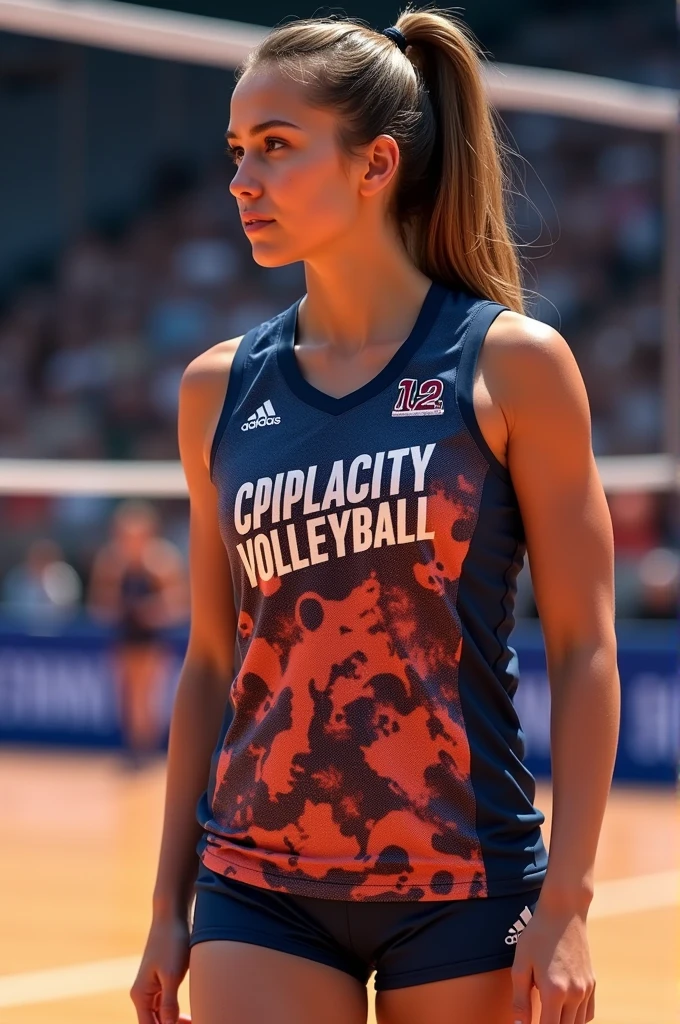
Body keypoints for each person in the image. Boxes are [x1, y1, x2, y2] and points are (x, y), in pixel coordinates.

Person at [130, 10, 620, 1024]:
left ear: (374, 163)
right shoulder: (215, 391)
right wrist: (165, 903)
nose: (241, 182)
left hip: (462, 882)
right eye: (234, 152)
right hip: (256, 882)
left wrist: (566, 900)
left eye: (274, 147)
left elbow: (584, 647)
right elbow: (212, 662)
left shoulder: (512, 365)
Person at [88, 499, 188, 768]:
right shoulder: (111, 562)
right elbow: (100, 605)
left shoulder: (162, 562)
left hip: (152, 639)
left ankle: (146, 750)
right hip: (124, 636)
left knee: (150, 695)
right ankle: (134, 749)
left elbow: (179, 605)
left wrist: (152, 611)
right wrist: (117, 609)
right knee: (128, 695)